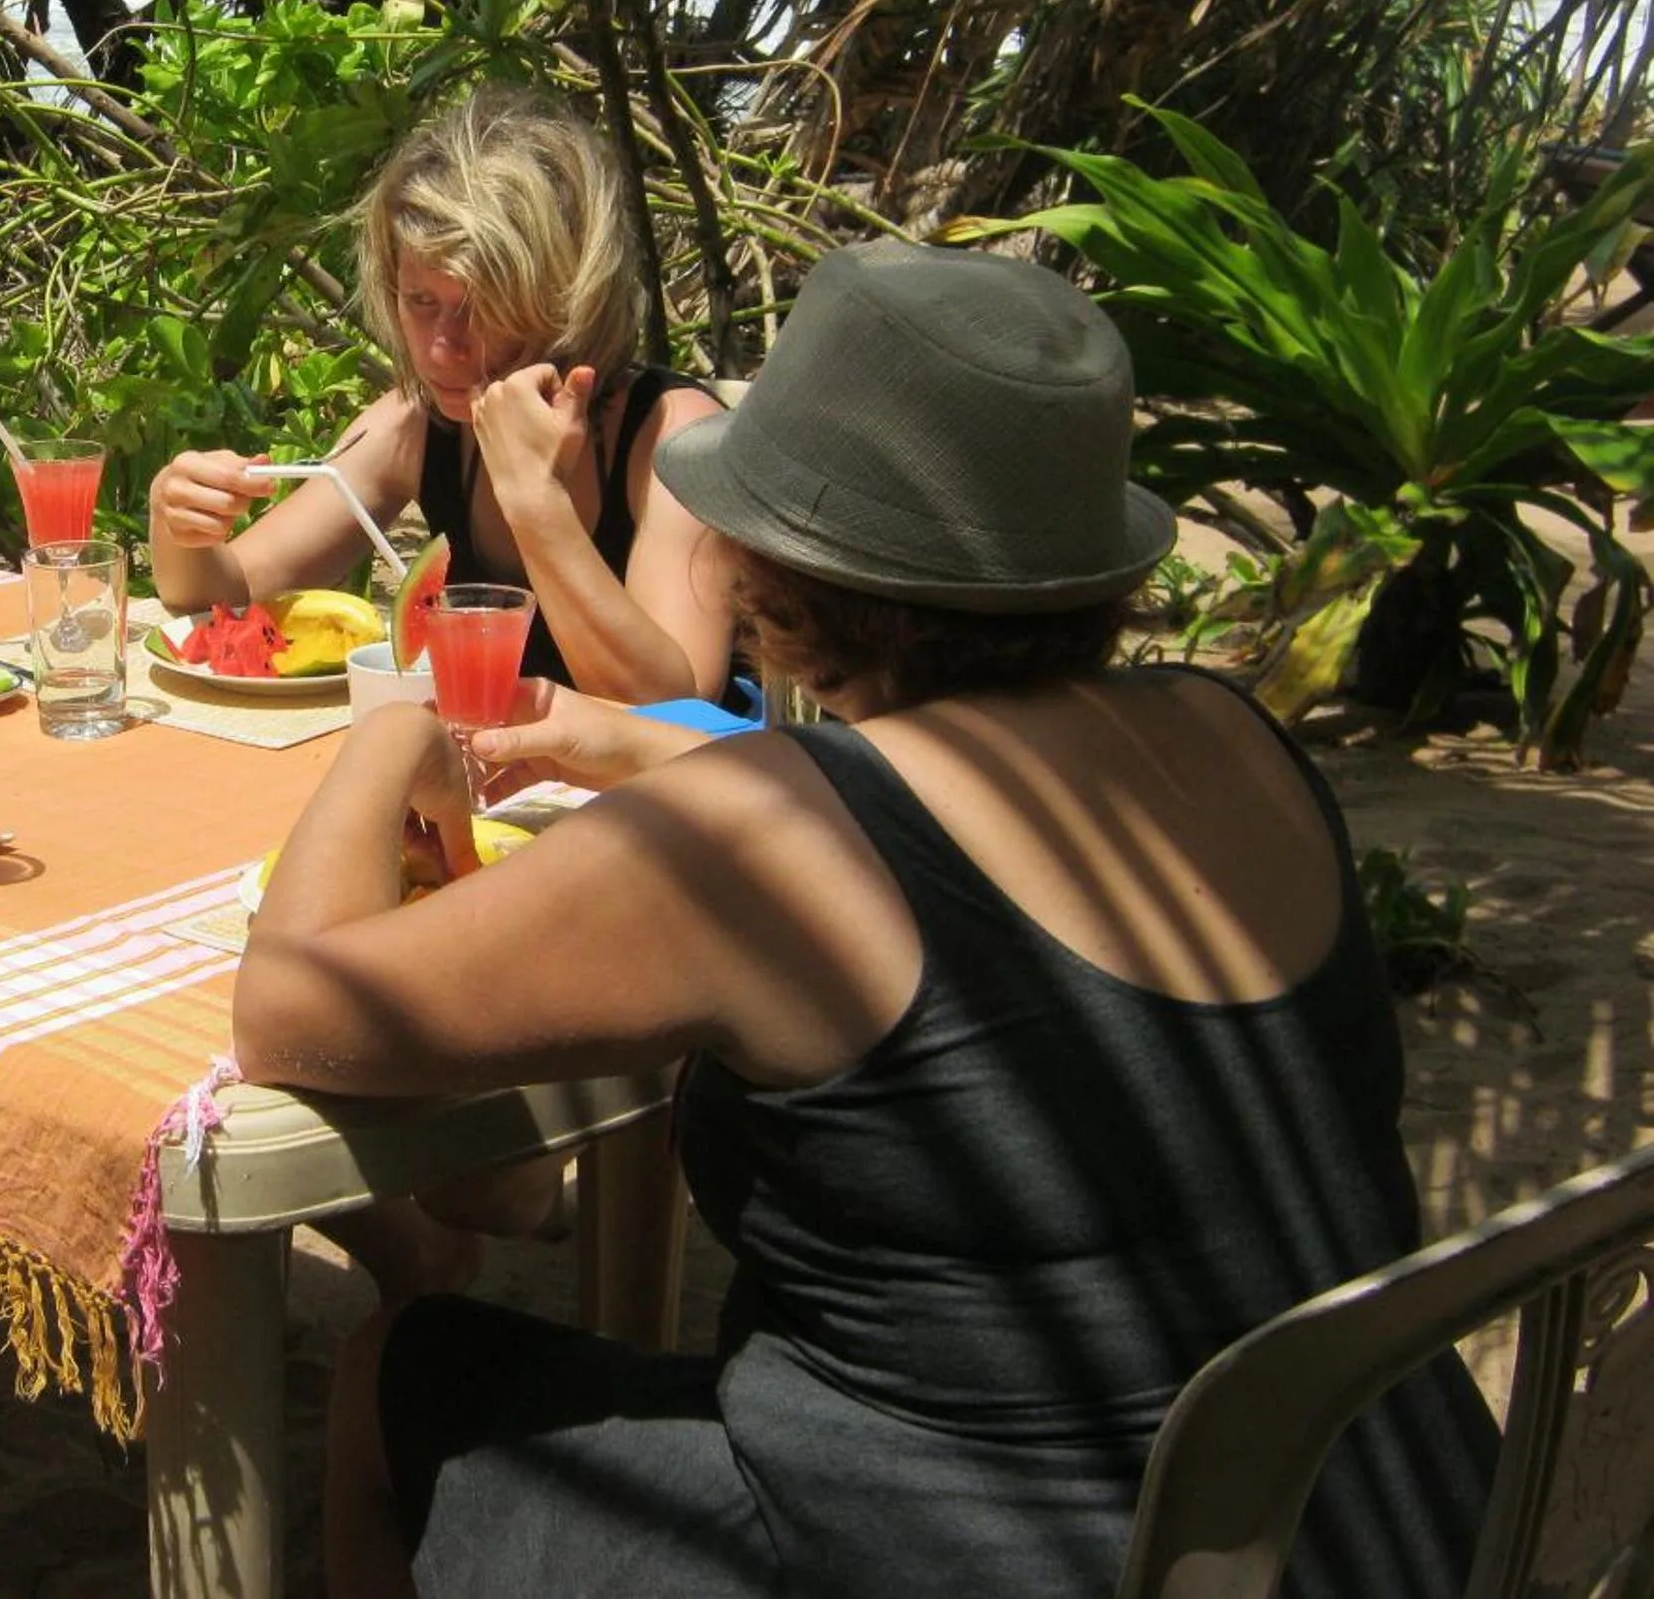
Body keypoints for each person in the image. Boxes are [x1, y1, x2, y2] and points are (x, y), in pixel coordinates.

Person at [231, 239, 1499, 1598]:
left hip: (969, 1556)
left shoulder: (771, 840)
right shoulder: (1231, 735)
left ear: (783, 568)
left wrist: (397, 730)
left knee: (394, 1371)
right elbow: (949, 815)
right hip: (1384, 1528)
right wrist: (625, 740)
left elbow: (293, 1013)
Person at [148, 88, 734, 704]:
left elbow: (677, 710)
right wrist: (181, 522)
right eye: (419, 302)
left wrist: (535, 503)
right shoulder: (414, 423)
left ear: (567, 298)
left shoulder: (677, 441)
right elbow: (218, 596)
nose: (440, 350)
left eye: (481, 308)